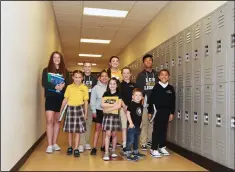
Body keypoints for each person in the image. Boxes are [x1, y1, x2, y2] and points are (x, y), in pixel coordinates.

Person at [42, 51, 69, 153]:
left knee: (57, 121)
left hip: (60, 99)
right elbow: (44, 82)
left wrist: (63, 86)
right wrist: (55, 86)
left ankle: (54, 143)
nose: (57, 59)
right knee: (49, 120)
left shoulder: (65, 72)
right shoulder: (46, 70)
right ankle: (49, 144)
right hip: (50, 98)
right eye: (55, 57)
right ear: (51, 59)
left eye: (58, 57)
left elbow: (68, 85)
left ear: (61, 59)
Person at [60, 70, 89, 157]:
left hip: (79, 109)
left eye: (79, 77)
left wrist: (86, 113)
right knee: (70, 131)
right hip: (70, 110)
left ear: (82, 78)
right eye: (75, 77)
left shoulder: (84, 87)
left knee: (77, 131)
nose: (77, 79)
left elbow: (86, 101)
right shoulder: (69, 87)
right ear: (73, 77)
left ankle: (76, 148)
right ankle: (70, 147)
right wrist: (61, 110)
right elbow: (65, 99)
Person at [148, 69, 175, 157]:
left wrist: (172, 113)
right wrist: (149, 112)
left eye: (166, 75)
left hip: (167, 111)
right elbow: (151, 101)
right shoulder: (156, 87)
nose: (164, 76)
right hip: (157, 111)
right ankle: (154, 148)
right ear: (159, 77)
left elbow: (173, 102)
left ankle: (162, 146)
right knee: (157, 130)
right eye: (162, 75)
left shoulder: (171, 88)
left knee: (164, 129)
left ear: (169, 77)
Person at [135, 54, 158, 150]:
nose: (148, 62)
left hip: (154, 103)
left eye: (150, 60)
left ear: (152, 62)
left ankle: (149, 140)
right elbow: (139, 89)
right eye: (146, 61)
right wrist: (142, 99)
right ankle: (143, 142)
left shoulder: (156, 74)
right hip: (145, 102)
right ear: (143, 63)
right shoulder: (141, 75)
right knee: (144, 122)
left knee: (152, 122)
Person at [78, 61, 97, 152]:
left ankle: (87, 142)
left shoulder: (94, 79)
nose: (87, 68)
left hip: (90, 104)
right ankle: (81, 144)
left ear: (91, 68)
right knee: (82, 123)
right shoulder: (80, 78)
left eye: (89, 66)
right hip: (80, 104)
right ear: (83, 68)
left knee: (89, 124)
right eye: (85, 66)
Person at [102, 77, 122, 161]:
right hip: (107, 117)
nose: (112, 85)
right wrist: (114, 105)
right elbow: (103, 104)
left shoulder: (119, 94)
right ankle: (106, 152)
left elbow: (119, 105)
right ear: (108, 85)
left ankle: (113, 150)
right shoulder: (105, 94)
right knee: (108, 134)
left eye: (114, 84)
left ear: (117, 85)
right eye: (110, 84)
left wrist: (109, 107)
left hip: (115, 117)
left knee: (114, 134)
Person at [90, 70, 109, 155]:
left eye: (106, 76)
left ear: (108, 78)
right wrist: (94, 111)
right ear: (99, 78)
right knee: (97, 129)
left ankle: (103, 146)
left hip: (107, 111)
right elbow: (92, 100)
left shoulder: (110, 87)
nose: (104, 77)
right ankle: (94, 147)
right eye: (102, 76)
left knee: (105, 129)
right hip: (98, 111)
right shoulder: (95, 88)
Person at [106, 56, 123, 147]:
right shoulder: (107, 72)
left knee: (115, 120)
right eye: (113, 61)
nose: (115, 62)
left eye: (117, 61)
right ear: (110, 63)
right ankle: (108, 141)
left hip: (118, 97)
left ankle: (113, 140)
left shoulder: (121, 73)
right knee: (109, 120)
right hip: (109, 98)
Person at [125, 88, 145, 161]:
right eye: (136, 95)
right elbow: (128, 113)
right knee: (130, 140)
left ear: (142, 97)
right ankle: (128, 152)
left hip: (138, 125)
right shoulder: (131, 104)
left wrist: (141, 123)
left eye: (140, 95)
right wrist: (130, 123)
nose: (138, 97)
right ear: (132, 96)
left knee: (136, 139)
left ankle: (136, 152)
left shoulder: (140, 105)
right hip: (132, 125)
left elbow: (140, 115)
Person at [119, 67, 136, 154]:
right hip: (123, 108)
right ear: (122, 75)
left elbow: (136, 96)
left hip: (132, 108)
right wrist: (125, 106)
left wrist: (131, 107)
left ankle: (131, 143)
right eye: (124, 73)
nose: (126, 75)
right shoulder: (120, 85)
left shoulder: (134, 85)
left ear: (130, 74)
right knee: (124, 127)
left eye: (127, 73)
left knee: (132, 126)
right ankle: (125, 144)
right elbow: (120, 97)